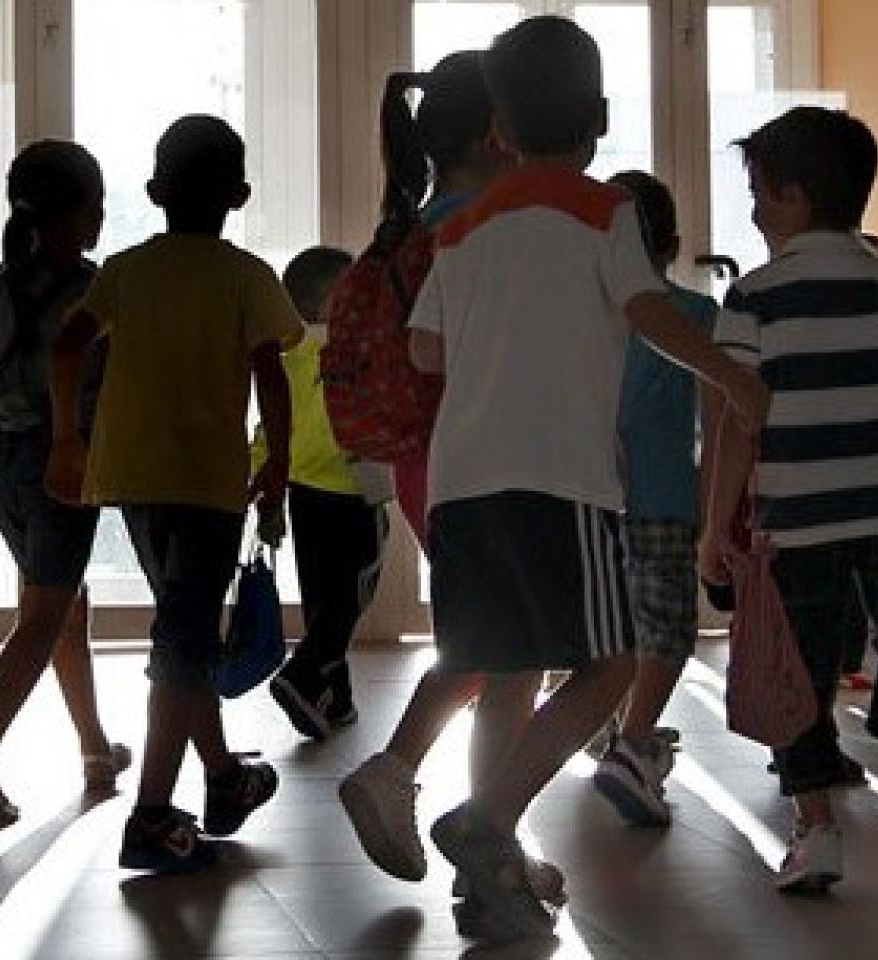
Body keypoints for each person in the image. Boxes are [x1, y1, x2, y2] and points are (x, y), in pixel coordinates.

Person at [412, 19, 768, 940]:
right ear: (601, 116)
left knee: (508, 667)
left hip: (463, 482)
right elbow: (647, 307)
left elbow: (425, 345)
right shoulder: (602, 208)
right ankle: (486, 817)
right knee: (613, 658)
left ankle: (492, 871)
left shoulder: (463, 224)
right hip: (558, 479)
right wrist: (729, 374)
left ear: (498, 128)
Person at [701, 105, 878, 894]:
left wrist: (714, 530)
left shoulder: (755, 298)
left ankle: (816, 828)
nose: (751, 210)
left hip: (800, 522)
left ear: (790, 196)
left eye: (756, 192)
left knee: (800, 678)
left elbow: (734, 427)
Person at [45, 115, 301, 872]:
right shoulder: (247, 276)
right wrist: (279, 462)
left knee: (184, 632)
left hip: (132, 476)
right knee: (183, 643)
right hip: (205, 480)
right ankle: (151, 815)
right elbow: (272, 377)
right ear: (242, 194)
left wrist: (68, 436)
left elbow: (66, 347)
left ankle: (223, 779)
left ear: (153, 190)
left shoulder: (123, 270)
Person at [336, 50, 516, 884]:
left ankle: (487, 828)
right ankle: (410, 780)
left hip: (422, 456)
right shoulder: (486, 225)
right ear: (498, 128)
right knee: (502, 644)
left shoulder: (417, 222)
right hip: (477, 454)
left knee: (496, 643)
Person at [0, 140, 130, 820]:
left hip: (2, 464)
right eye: (94, 208)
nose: (100, 221)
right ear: (73, 216)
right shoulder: (96, 289)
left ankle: (96, 748)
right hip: (61, 464)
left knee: (63, 606)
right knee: (46, 614)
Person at [588, 170, 719, 827]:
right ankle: (634, 742)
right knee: (665, 626)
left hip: (591, 495)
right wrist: (713, 504)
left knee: (609, 625)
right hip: (667, 494)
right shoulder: (695, 315)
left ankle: (617, 731)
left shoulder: (584, 318)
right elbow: (715, 421)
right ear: (669, 245)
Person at [261, 246, 392, 740]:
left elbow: (271, 424)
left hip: (301, 489)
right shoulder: (357, 350)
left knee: (323, 598)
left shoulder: (289, 353)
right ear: (332, 303)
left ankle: (334, 699)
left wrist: (265, 482)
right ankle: (302, 674)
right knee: (350, 596)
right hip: (354, 489)